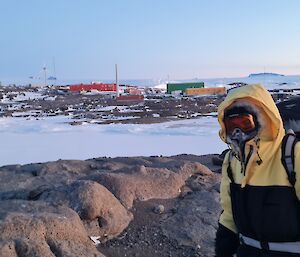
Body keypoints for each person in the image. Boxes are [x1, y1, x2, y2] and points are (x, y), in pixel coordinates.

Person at [215, 84, 300, 257]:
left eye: (246, 123)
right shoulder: (232, 162)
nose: (237, 132)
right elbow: (229, 217)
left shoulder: (292, 154)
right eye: (232, 125)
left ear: (264, 119)